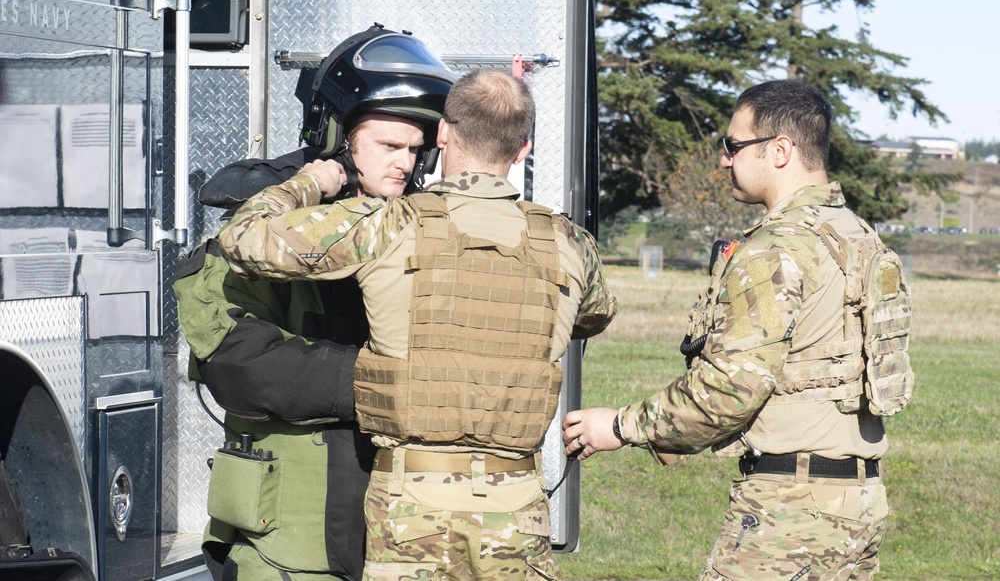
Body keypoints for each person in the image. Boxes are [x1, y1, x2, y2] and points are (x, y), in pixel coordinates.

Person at [217, 68, 617, 580]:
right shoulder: (571, 243)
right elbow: (594, 315)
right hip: (518, 505)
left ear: (443, 135)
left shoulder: (388, 222)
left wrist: (310, 183)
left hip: (410, 508)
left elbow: (245, 240)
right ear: (523, 150)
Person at [562, 79, 912, 580]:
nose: (725, 160)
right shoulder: (859, 236)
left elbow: (728, 391)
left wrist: (618, 426)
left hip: (790, 508)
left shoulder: (776, 249)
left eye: (733, 146)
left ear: (780, 150)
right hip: (858, 501)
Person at [174, 24, 453, 581]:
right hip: (292, 519)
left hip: (405, 517)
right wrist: (384, 383)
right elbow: (237, 362)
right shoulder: (265, 225)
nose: (405, 162)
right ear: (339, 137)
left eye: (415, 149)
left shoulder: (425, 225)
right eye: (390, 145)